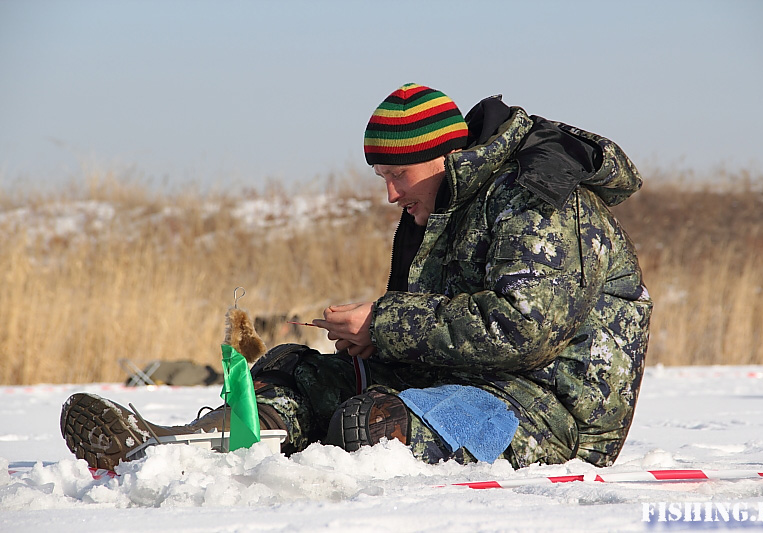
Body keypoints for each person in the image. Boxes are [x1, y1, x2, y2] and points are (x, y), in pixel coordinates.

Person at [61, 83, 652, 471]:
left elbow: (526, 329)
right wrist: (373, 337)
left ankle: (321, 433)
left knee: (371, 423)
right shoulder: (436, 209)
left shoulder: (535, 200)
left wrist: (386, 323)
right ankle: (212, 440)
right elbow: (433, 324)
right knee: (295, 367)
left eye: (399, 173)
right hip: (459, 381)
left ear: (446, 156)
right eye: (381, 176)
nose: (389, 193)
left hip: (550, 408)